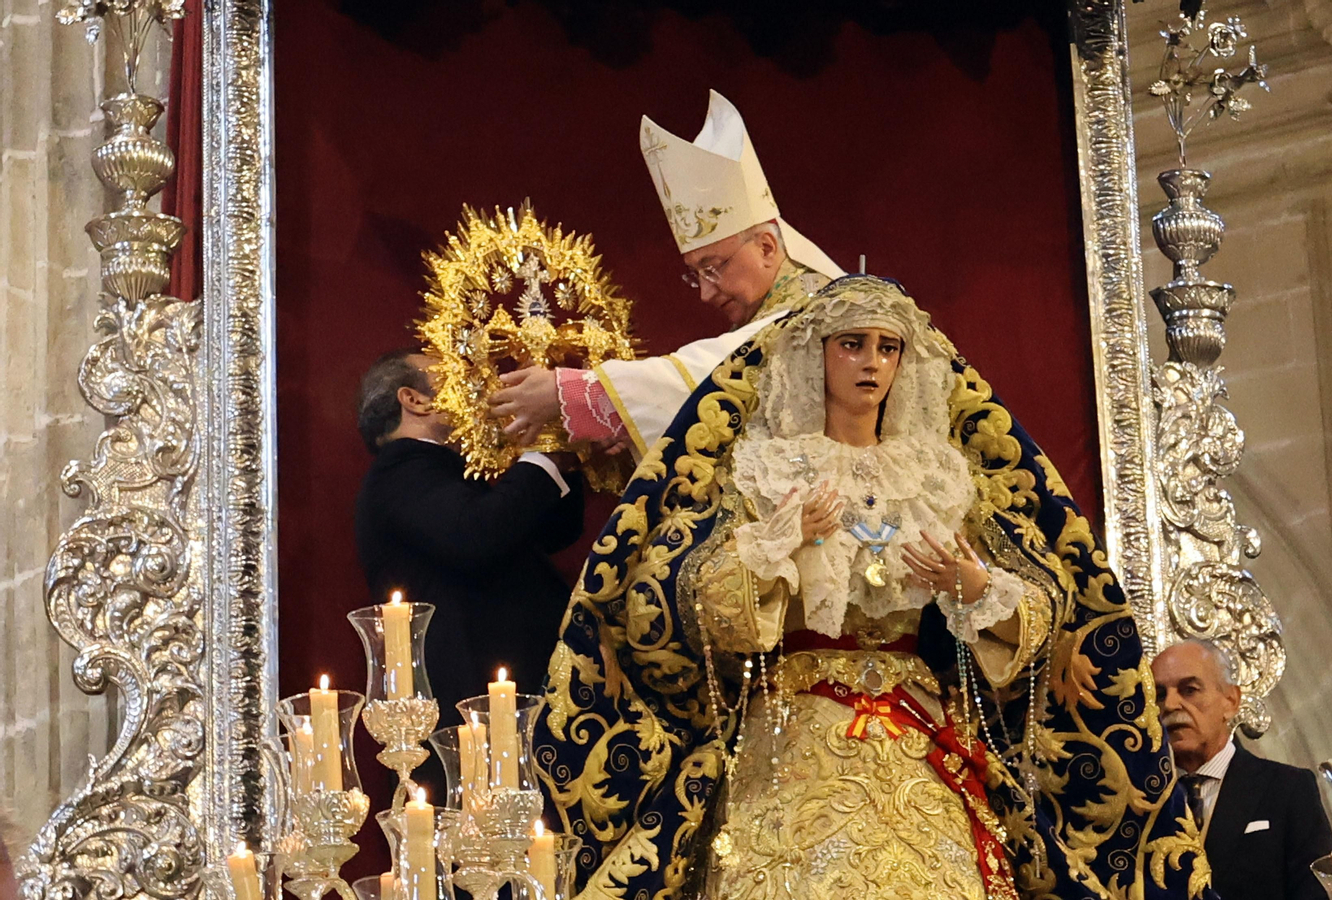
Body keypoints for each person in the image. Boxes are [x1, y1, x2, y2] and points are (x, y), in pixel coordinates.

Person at [531, 276, 1214, 900]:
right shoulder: (766, 467)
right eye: (852, 344)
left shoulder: (938, 475)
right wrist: (780, 546)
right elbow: (700, 600)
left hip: (921, 728)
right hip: (794, 723)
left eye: (888, 348)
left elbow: (1042, 598)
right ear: (815, 355)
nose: (871, 363)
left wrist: (974, 586)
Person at [488, 90, 847, 457]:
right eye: (695, 275)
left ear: (767, 248)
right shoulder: (776, 304)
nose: (705, 293)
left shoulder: (820, 307)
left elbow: (720, 370)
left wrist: (569, 392)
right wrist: (637, 422)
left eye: (712, 268)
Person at [353, 347, 585, 715]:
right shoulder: (399, 471)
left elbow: (551, 533)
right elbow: (479, 535)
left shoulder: (438, 472)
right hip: (472, 705)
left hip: (508, 693)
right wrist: (543, 458)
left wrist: (560, 455)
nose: (475, 385)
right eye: (454, 376)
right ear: (414, 400)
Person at [1153, 640, 1332, 900]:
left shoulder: (1287, 790)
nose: (1170, 705)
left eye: (1189, 690)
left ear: (1230, 701)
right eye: (1159, 695)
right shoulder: (1142, 801)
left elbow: (1317, 892)